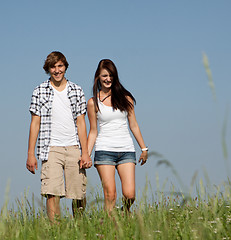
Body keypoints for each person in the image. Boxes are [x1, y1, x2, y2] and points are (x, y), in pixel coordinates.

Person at [26, 51, 92, 222]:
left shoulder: (76, 90)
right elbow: (35, 123)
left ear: (65, 67)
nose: (57, 70)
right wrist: (30, 154)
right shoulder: (39, 91)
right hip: (51, 148)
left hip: (73, 147)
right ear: (48, 69)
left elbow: (81, 123)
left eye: (60, 66)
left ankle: (79, 226)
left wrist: (85, 152)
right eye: (53, 67)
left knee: (78, 193)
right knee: (52, 192)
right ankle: (56, 230)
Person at [87, 59, 148, 213]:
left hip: (126, 150)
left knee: (130, 194)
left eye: (111, 76)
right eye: (104, 76)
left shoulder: (125, 98)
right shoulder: (93, 103)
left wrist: (144, 148)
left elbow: (133, 125)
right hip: (104, 150)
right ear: (98, 78)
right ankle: (109, 228)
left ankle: (124, 211)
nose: (108, 79)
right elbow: (93, 131)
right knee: (110, 195)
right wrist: (86, 154)